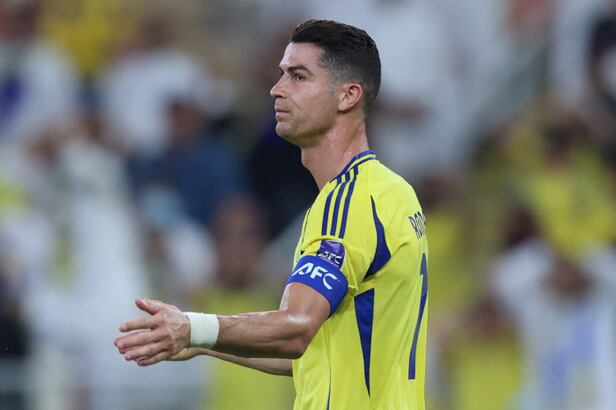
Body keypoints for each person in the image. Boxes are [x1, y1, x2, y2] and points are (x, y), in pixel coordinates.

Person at [114, 19, 430, 409]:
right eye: (282, 74)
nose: (277, 89)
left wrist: (193, 325)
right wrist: (201, 341)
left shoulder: (348, 200)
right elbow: (311, 352)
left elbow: (297, 328)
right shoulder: (392, 192)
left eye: (299, 77)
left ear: (347, 96)